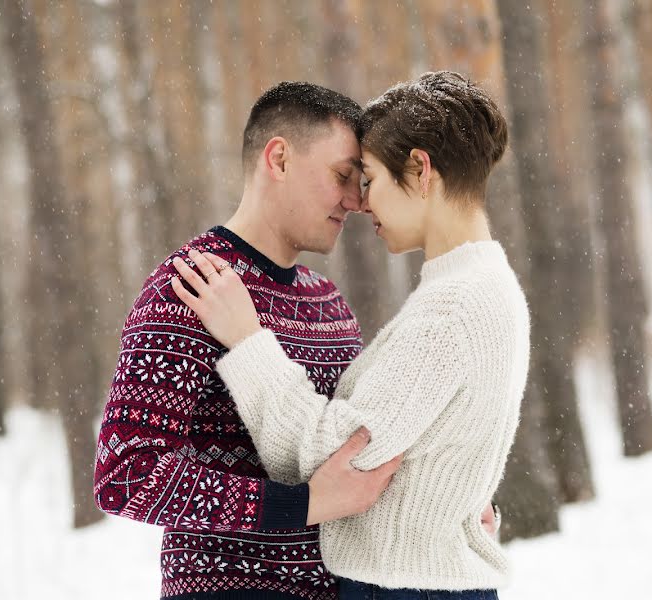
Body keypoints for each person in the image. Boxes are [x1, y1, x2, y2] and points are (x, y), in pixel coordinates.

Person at [170, 71, 529, 600]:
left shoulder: (453, 310)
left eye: (371, 179)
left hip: (409, 588)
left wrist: (248, 343)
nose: (362, 203)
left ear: (420, 171)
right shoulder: (475, 289)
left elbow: (333, 453)